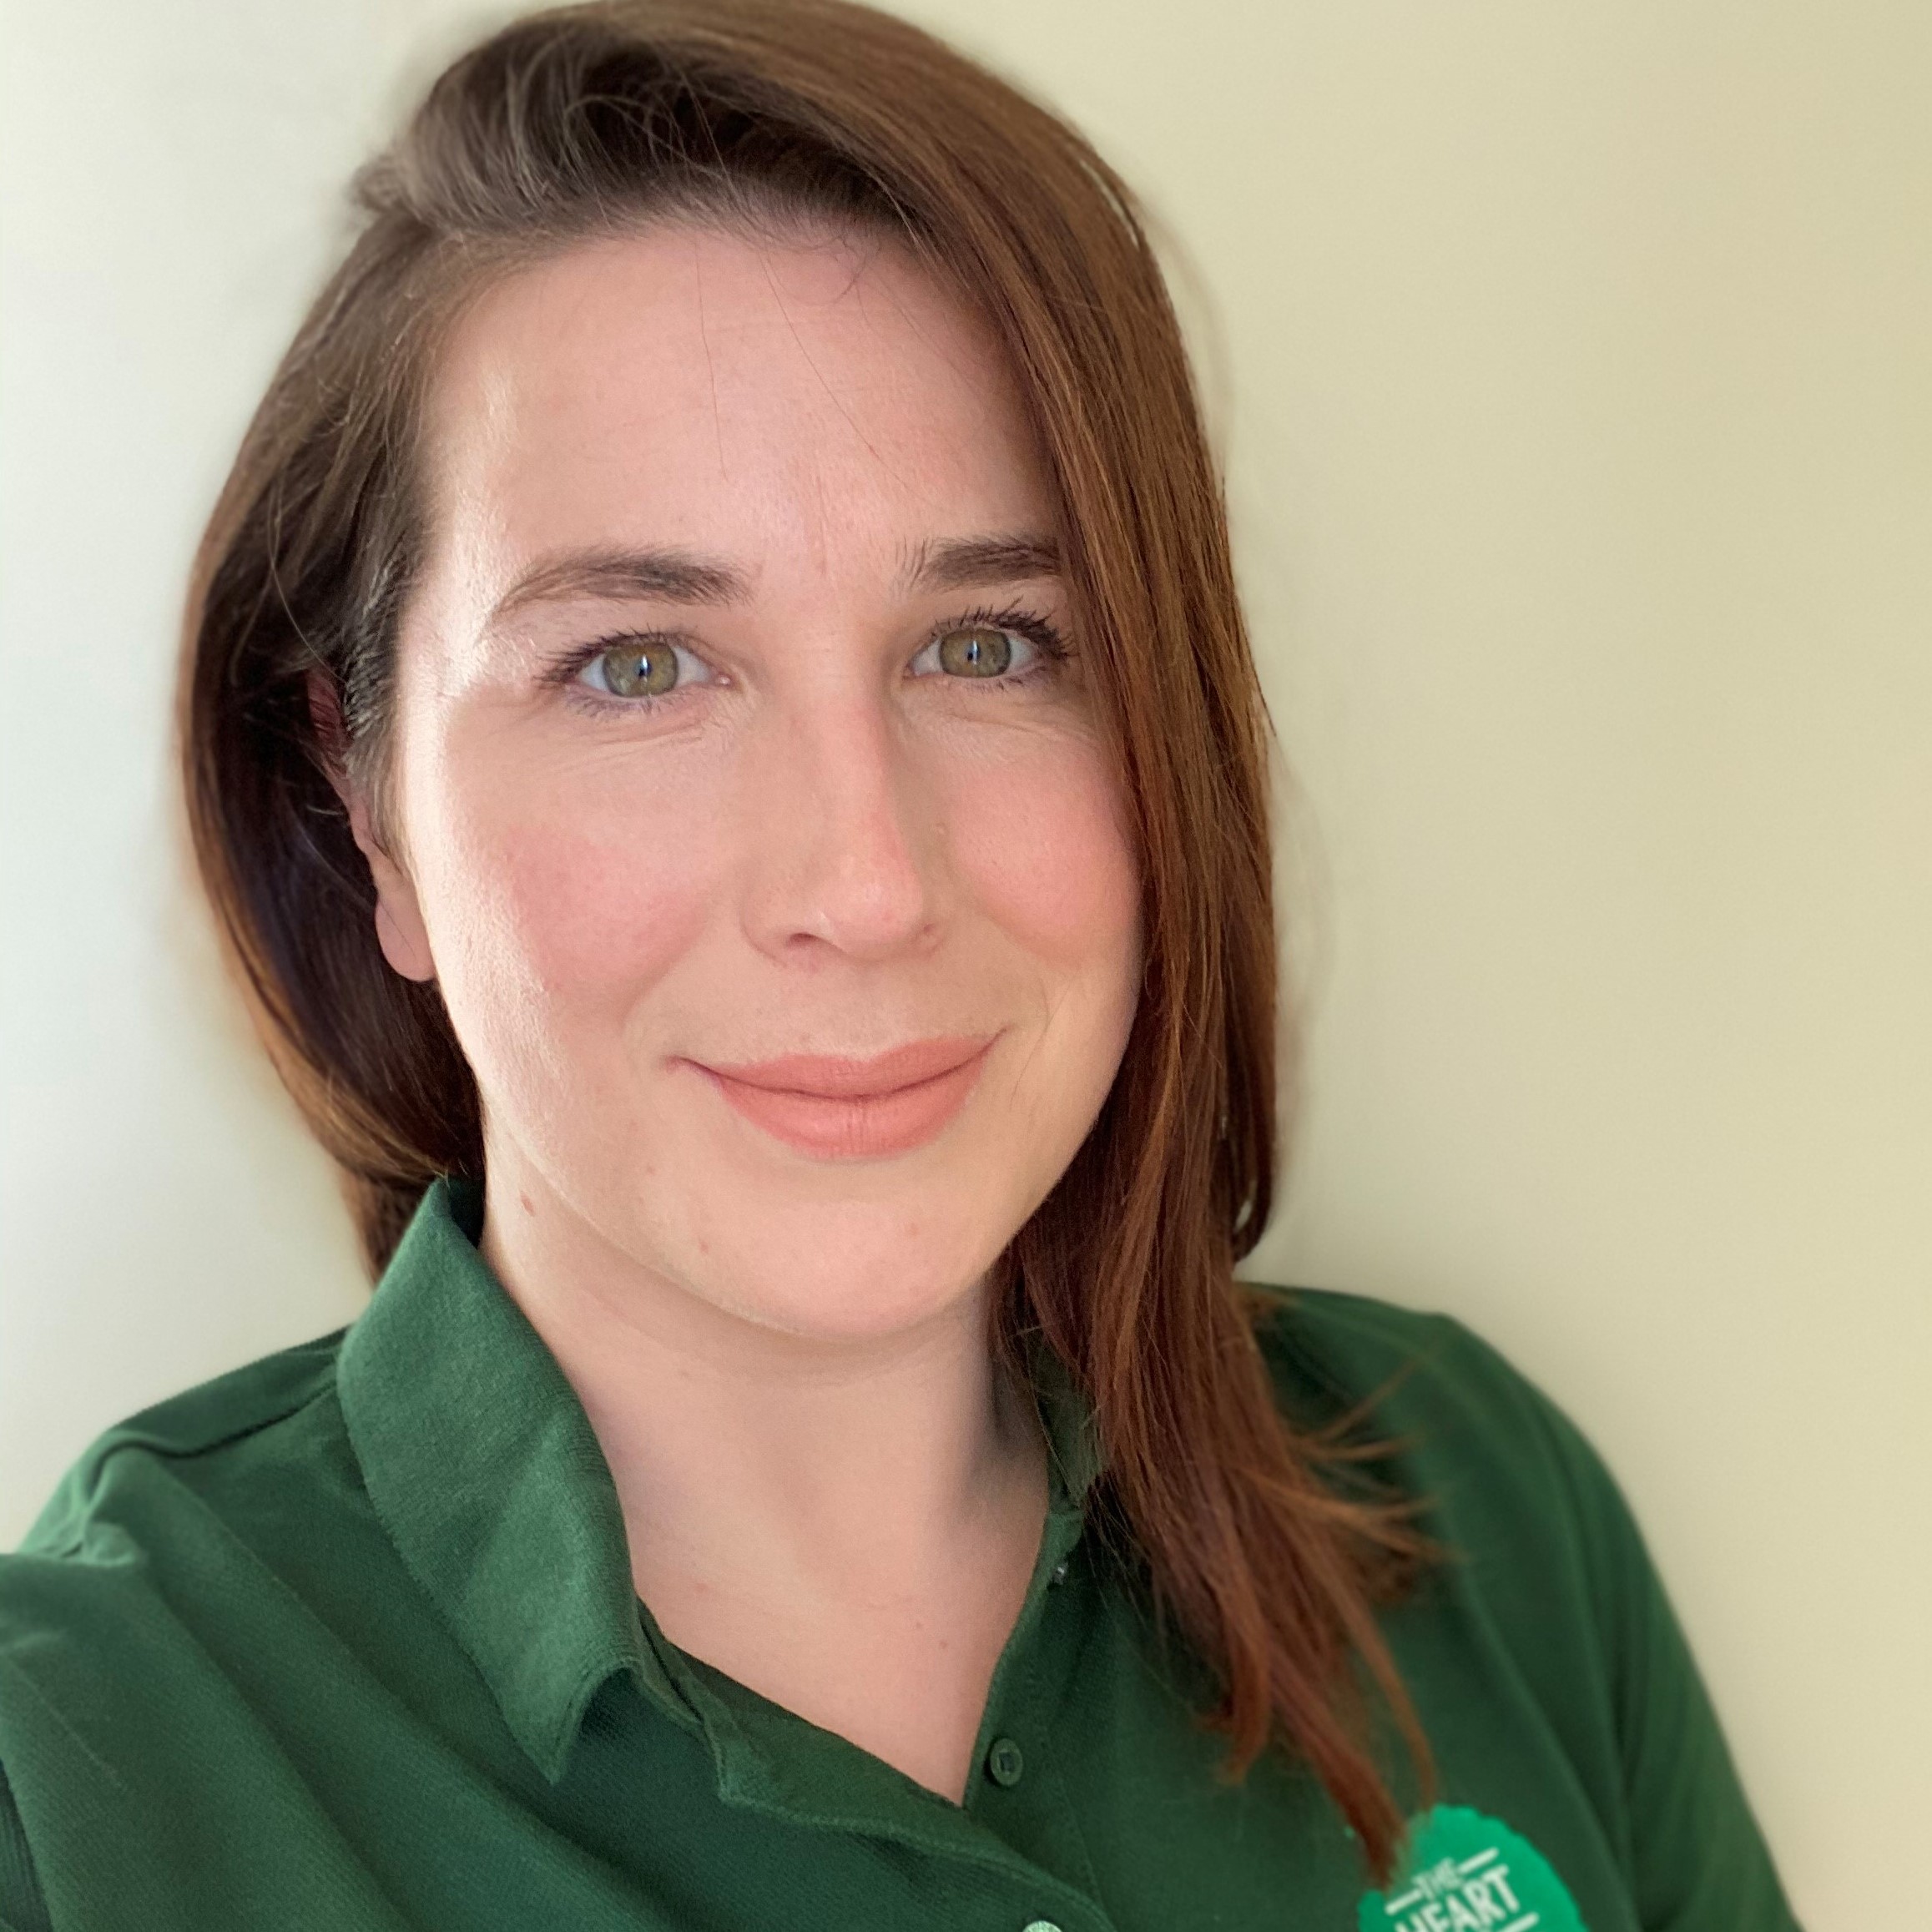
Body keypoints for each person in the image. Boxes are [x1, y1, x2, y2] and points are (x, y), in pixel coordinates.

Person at [0, 3, 1798, 1926]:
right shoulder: (73, 1782)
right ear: (364, 806)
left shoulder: (1479, 1516)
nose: (865, 884)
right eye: (636, 667)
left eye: (990, 645)